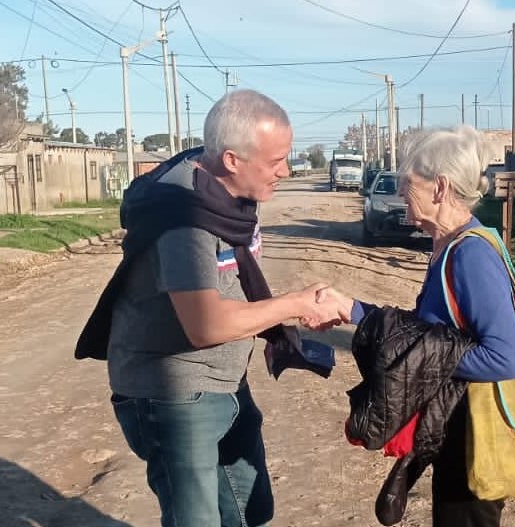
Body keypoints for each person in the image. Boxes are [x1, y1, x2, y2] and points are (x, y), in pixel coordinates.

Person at [90, 90, 347, 527]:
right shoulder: (183, 217)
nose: (286, 171)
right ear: (232, 159)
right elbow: (205, 324)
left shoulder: (233, 197)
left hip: (225, 381)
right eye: (276, 161)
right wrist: (292, 304)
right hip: (172, 391)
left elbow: (233, 285)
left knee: (250, 508)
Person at [317, 126, 515, 527]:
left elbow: (505, 357)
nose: (401, 199)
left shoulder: (471, 255)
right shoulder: (448, 246)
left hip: (473, 435)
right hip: (449, 426)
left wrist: (425, 359)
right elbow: (422, 333)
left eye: (408, 186)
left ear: (440, 187)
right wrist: (353, 311)